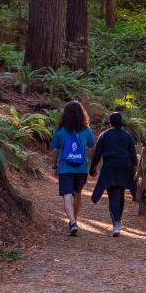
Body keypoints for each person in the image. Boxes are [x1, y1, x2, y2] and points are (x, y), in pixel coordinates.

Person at [49, 101, 95, 236]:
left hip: (65, 168)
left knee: (67, 195)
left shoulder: (60, 131)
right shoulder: (87, 131)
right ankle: (74, 220)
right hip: (81, 169)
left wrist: (54, 165)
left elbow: (55, 150)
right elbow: (91, 149)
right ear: (82, 114)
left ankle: (72, 222)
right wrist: (92, 165)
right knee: (78, 193)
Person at [90, 111, 139, 237]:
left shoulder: (104, 135)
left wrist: (92, 168)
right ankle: (118, 222)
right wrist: (133, 173)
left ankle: (116, 224)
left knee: (113, 195)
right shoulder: (127, 136)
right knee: (120, 193)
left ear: (110, 122)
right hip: (125, 167)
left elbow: (97, 154)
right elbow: (134, 157)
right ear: (121, 122)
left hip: (110, 168)